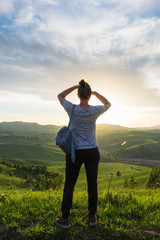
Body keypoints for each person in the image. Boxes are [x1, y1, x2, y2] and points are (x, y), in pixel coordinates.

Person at [56, 79, 111, 229]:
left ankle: (65, 219)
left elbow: (60, 96)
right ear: (89, 95)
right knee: (92, 184)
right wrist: (96, 93)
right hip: (93, 151)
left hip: (76, 152)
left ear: (78, 94)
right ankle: (92, 217)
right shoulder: (94, 110)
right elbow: (108, 104)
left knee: (69, 185)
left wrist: (74, 87)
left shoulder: (72, 109)